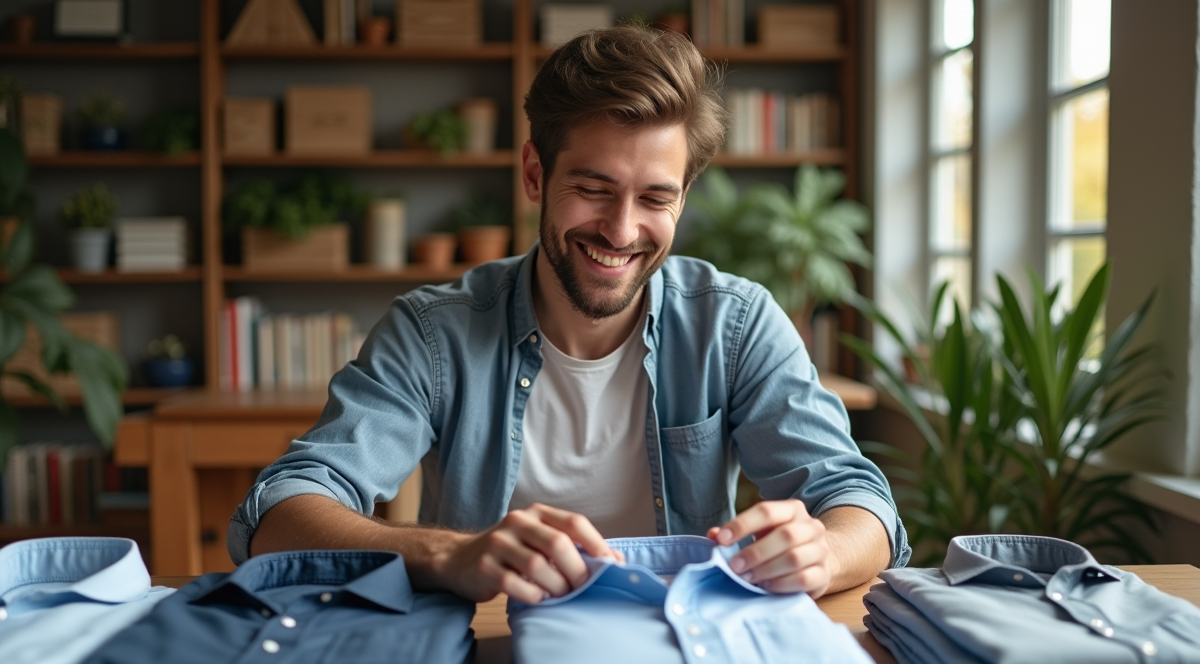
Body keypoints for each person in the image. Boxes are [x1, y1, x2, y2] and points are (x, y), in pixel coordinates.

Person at [228, 25, 910, 605]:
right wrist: (450, 553)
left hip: (690, 645)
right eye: (593, 188)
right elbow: (279, 512)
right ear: (535, 174)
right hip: (492, 649)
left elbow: (862, 505)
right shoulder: (433, 333)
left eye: (655, 198)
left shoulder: (735, 325)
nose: (622, 230)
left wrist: (821, 551)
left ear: (683, 196)